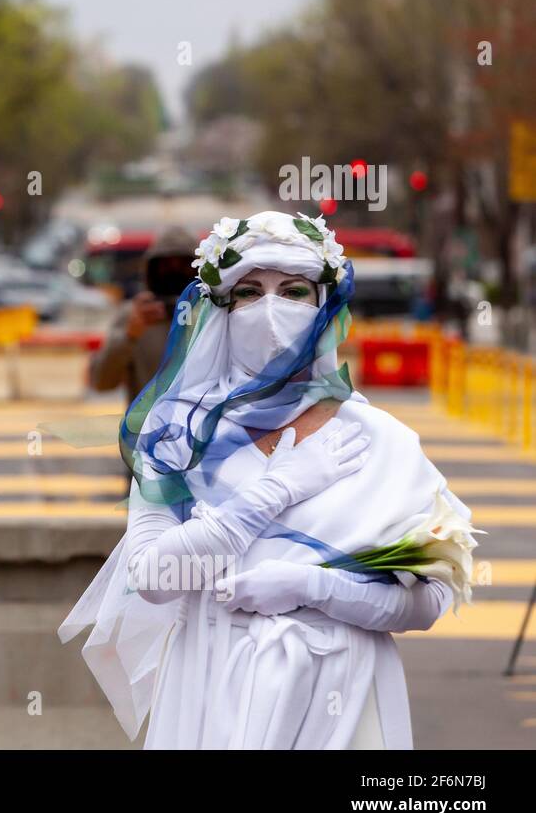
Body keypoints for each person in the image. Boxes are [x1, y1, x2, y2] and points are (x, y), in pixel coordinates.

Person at [60, 211, 479, 749]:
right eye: (250, 292)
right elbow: (153, 576)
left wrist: (312, 587)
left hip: (342, 699)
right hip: (210, 687)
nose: (271, 309)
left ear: (324, 306)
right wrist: (272, 492)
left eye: (294, 290)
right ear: (222, 310)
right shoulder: (177, 434)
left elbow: (428, 602)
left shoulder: (381, 440)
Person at [90, 227, 197, 405]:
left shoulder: (213, 313)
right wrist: (129, 336)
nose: (174, 271)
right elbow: (102, 383)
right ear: (152, 270)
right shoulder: (134, 315)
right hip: (145, 429)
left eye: (184, 265)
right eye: (166, 265)